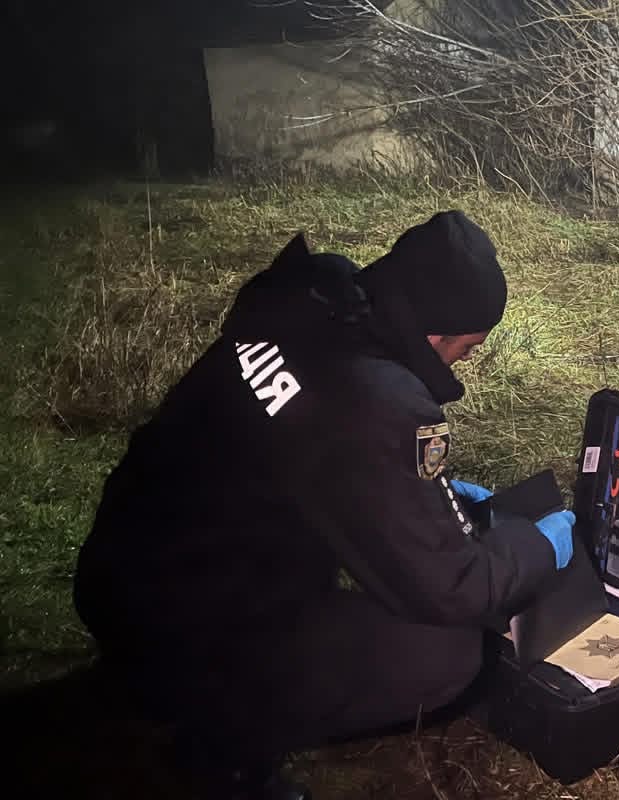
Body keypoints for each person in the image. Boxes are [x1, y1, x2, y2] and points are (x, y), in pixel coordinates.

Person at [71, 211, 577, 799]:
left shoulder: (303, 309)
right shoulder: (378, 398)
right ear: (436, 333)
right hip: (186, 626)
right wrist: (540, 544)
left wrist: (420, 491)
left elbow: (309, 450)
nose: (464, 362)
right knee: (446, 655)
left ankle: (162, 685)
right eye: (468, 347)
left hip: (125, 574)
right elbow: (451, 586)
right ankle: (217, 749)